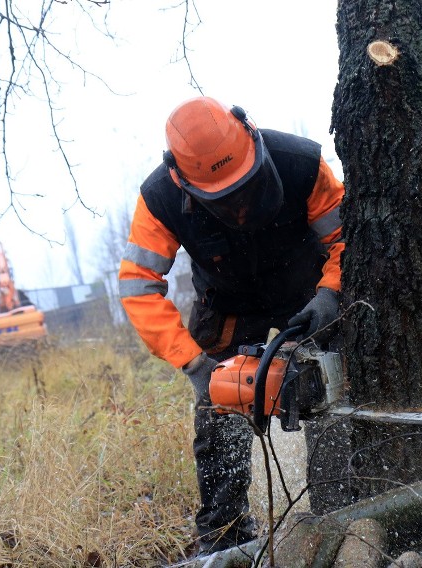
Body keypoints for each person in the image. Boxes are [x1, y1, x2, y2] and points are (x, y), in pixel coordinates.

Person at [118, 96, 345, 554]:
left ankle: (337, 507)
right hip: (227, 303)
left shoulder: (300, 163)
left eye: (244, 185)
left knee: (330, 390)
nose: (239, 201)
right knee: (219, 408)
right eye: (224, 195)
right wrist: (196, 365)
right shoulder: (162, 197)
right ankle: (224, 534)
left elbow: (346, 238)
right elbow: (138, 286)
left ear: (251, 135)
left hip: (307, 290)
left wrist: (330, 295)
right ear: (184, 181)